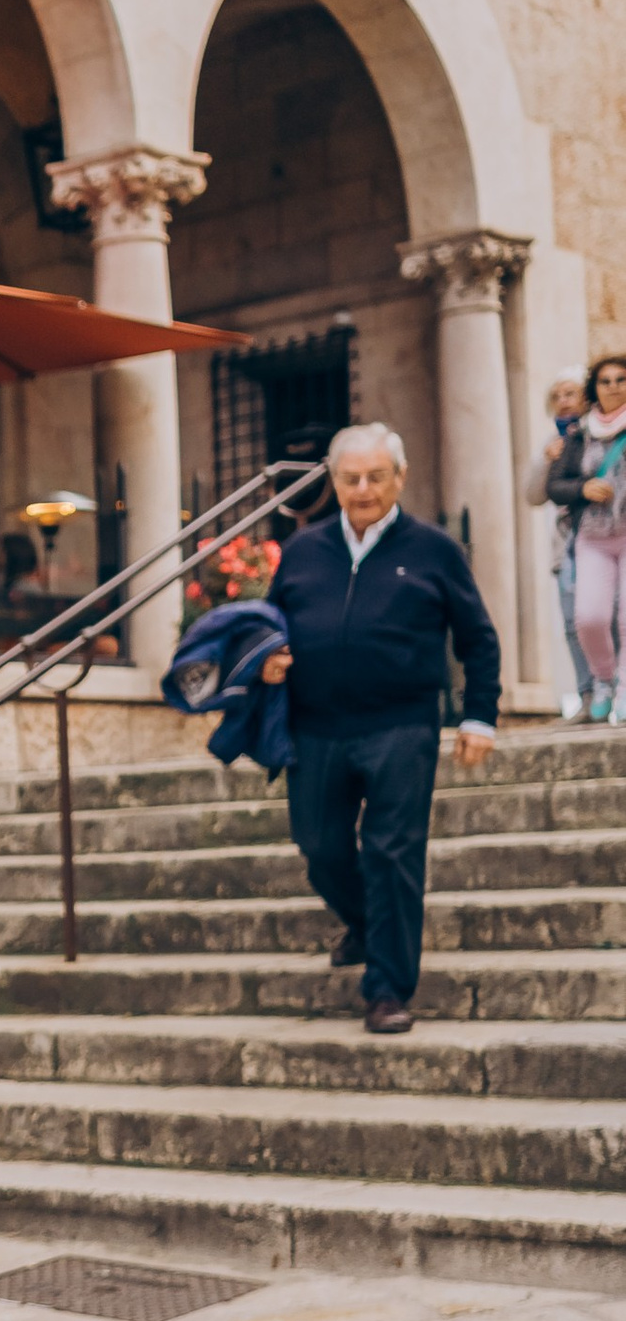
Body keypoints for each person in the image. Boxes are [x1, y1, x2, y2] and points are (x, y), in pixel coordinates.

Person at [260, 423, 498, 1037]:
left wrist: (479, 715)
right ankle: (368, 925)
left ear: (400, 477)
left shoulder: (435, 549)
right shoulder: (302, 550)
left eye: (375, 476)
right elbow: (269, 627)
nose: (363, 489)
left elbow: (477, 638)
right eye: (350, 478)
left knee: (393, 853)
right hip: (315, 726)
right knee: (319, 846)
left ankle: (388, 988)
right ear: (333, 481)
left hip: (401, 724)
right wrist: (267, 659)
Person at [554, 356, 626, 723]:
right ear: (594, 389)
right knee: (589, 617)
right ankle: (603, 680)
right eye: (605, 381)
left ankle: (625, 687)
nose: (613, 387)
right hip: (593, 537)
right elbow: (554, 485)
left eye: (621, 379)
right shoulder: (579, 434)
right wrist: (584, 488)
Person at [524, 372, 591, 719]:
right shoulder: (553, 442)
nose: (564, 401)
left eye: (570, 393)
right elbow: (533, 496)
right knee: (572, 621)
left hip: (604, 536)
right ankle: (587, 694)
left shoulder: (600, 433)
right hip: (566, 544)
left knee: (607, 617)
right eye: (556, 395)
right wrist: (545, 461)